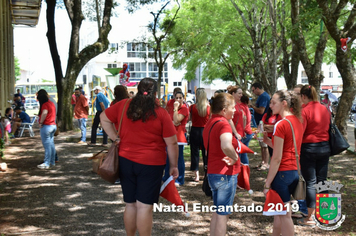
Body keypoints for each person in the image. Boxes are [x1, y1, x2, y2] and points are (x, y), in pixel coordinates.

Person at [100, 78, 178, 236]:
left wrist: (115, 137)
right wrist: (173, 165)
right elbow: (172, 143)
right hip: (151, 164)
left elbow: (104, 118)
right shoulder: (161, 113)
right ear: (155, 93)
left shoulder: (123, 106)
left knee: (130, 204)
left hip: (125, 161)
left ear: (137, 89)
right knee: (145, 207)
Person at [262, 90, 303, 235]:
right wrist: (268, 141)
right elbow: (288, 149)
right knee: (279, 213)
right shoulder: (297, 121)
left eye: (273, 102)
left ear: (284, 103)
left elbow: (277, 158)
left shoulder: (281, 124)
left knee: (285, 215)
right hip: (293, 172)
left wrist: (267, 183)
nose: (270, 105)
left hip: (282, 174)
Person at [202, 92, 240, 236]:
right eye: (233, 107)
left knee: (218, 212)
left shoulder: (210, 122)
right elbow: (226, 145)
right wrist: (235, 157)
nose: (235, 110)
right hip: (224, 173)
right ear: (224, 109)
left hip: (213, 172)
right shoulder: (223, 124)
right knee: (223, 214)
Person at [298, 85, 331, 227]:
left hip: (309, 148)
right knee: (322, 180)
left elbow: (300, 132)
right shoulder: (324, 108)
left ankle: (309, 218)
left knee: (310, 182)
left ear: (303, 96)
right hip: (325, 147)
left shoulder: (304, 111)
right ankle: (326, 214)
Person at [162, 91, 189, 186]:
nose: (178, 100)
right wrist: (172, 122)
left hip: (179, 136)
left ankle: (179, 179)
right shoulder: (170, 104)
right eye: (176, 97)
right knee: (168, 156)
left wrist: (176, 109)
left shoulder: (184, 108)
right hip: (170, 134)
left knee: (179, 158)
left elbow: (177, 120)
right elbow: (167, 117)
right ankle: (167, 177)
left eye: (180, 98)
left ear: (183, 98)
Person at [189, 88, 210, 182]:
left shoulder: (192, 107)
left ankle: (196, 175)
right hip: (205, 131)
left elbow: (189, 119)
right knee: (206, 153)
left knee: (195, 152)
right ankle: (206, 173)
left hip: (195, 130)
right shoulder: (209, 107)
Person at [227, 86, 252, 164]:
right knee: (240, 155)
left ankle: (243, 173)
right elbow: (229, 119)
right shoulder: (232, 104)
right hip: (235, 134)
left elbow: (245, 118)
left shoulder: (238, 104)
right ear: (233, 93)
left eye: (241, 93)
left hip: (239, 134)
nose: (241, 95)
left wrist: (243, 131)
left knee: (240, 155)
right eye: (239, 93)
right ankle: (242, 173)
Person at [250, 82, 270, 170]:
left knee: (264, 144)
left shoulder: (264, 97)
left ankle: (266, 163)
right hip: (260, 123)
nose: (253, 92)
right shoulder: (261, 97)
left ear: (257, 88)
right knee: (261, 143)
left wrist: (252, 107)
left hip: (263, 123)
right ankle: (263, 161)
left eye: (253, 90)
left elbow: (261, 111)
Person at [36, 89, 57, 169]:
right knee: (51, 144)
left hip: (46, 126)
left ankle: (46, 163)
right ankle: (52, 161)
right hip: (53, 125)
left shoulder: (44, 105)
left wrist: (41, 122)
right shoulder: (51, 103)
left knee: (47, 146)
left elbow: (44, 113)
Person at [259, 105, 282, 170]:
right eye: (271, 103)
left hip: (277, 137)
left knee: (277, 154)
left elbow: (278, 127)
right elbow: (262, 125)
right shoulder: (266, 115)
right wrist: (271, 127)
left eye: (274, 104)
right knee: (272, 154)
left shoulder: (280, 115)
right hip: (268, 137)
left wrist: (271, 127)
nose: (272, 106)